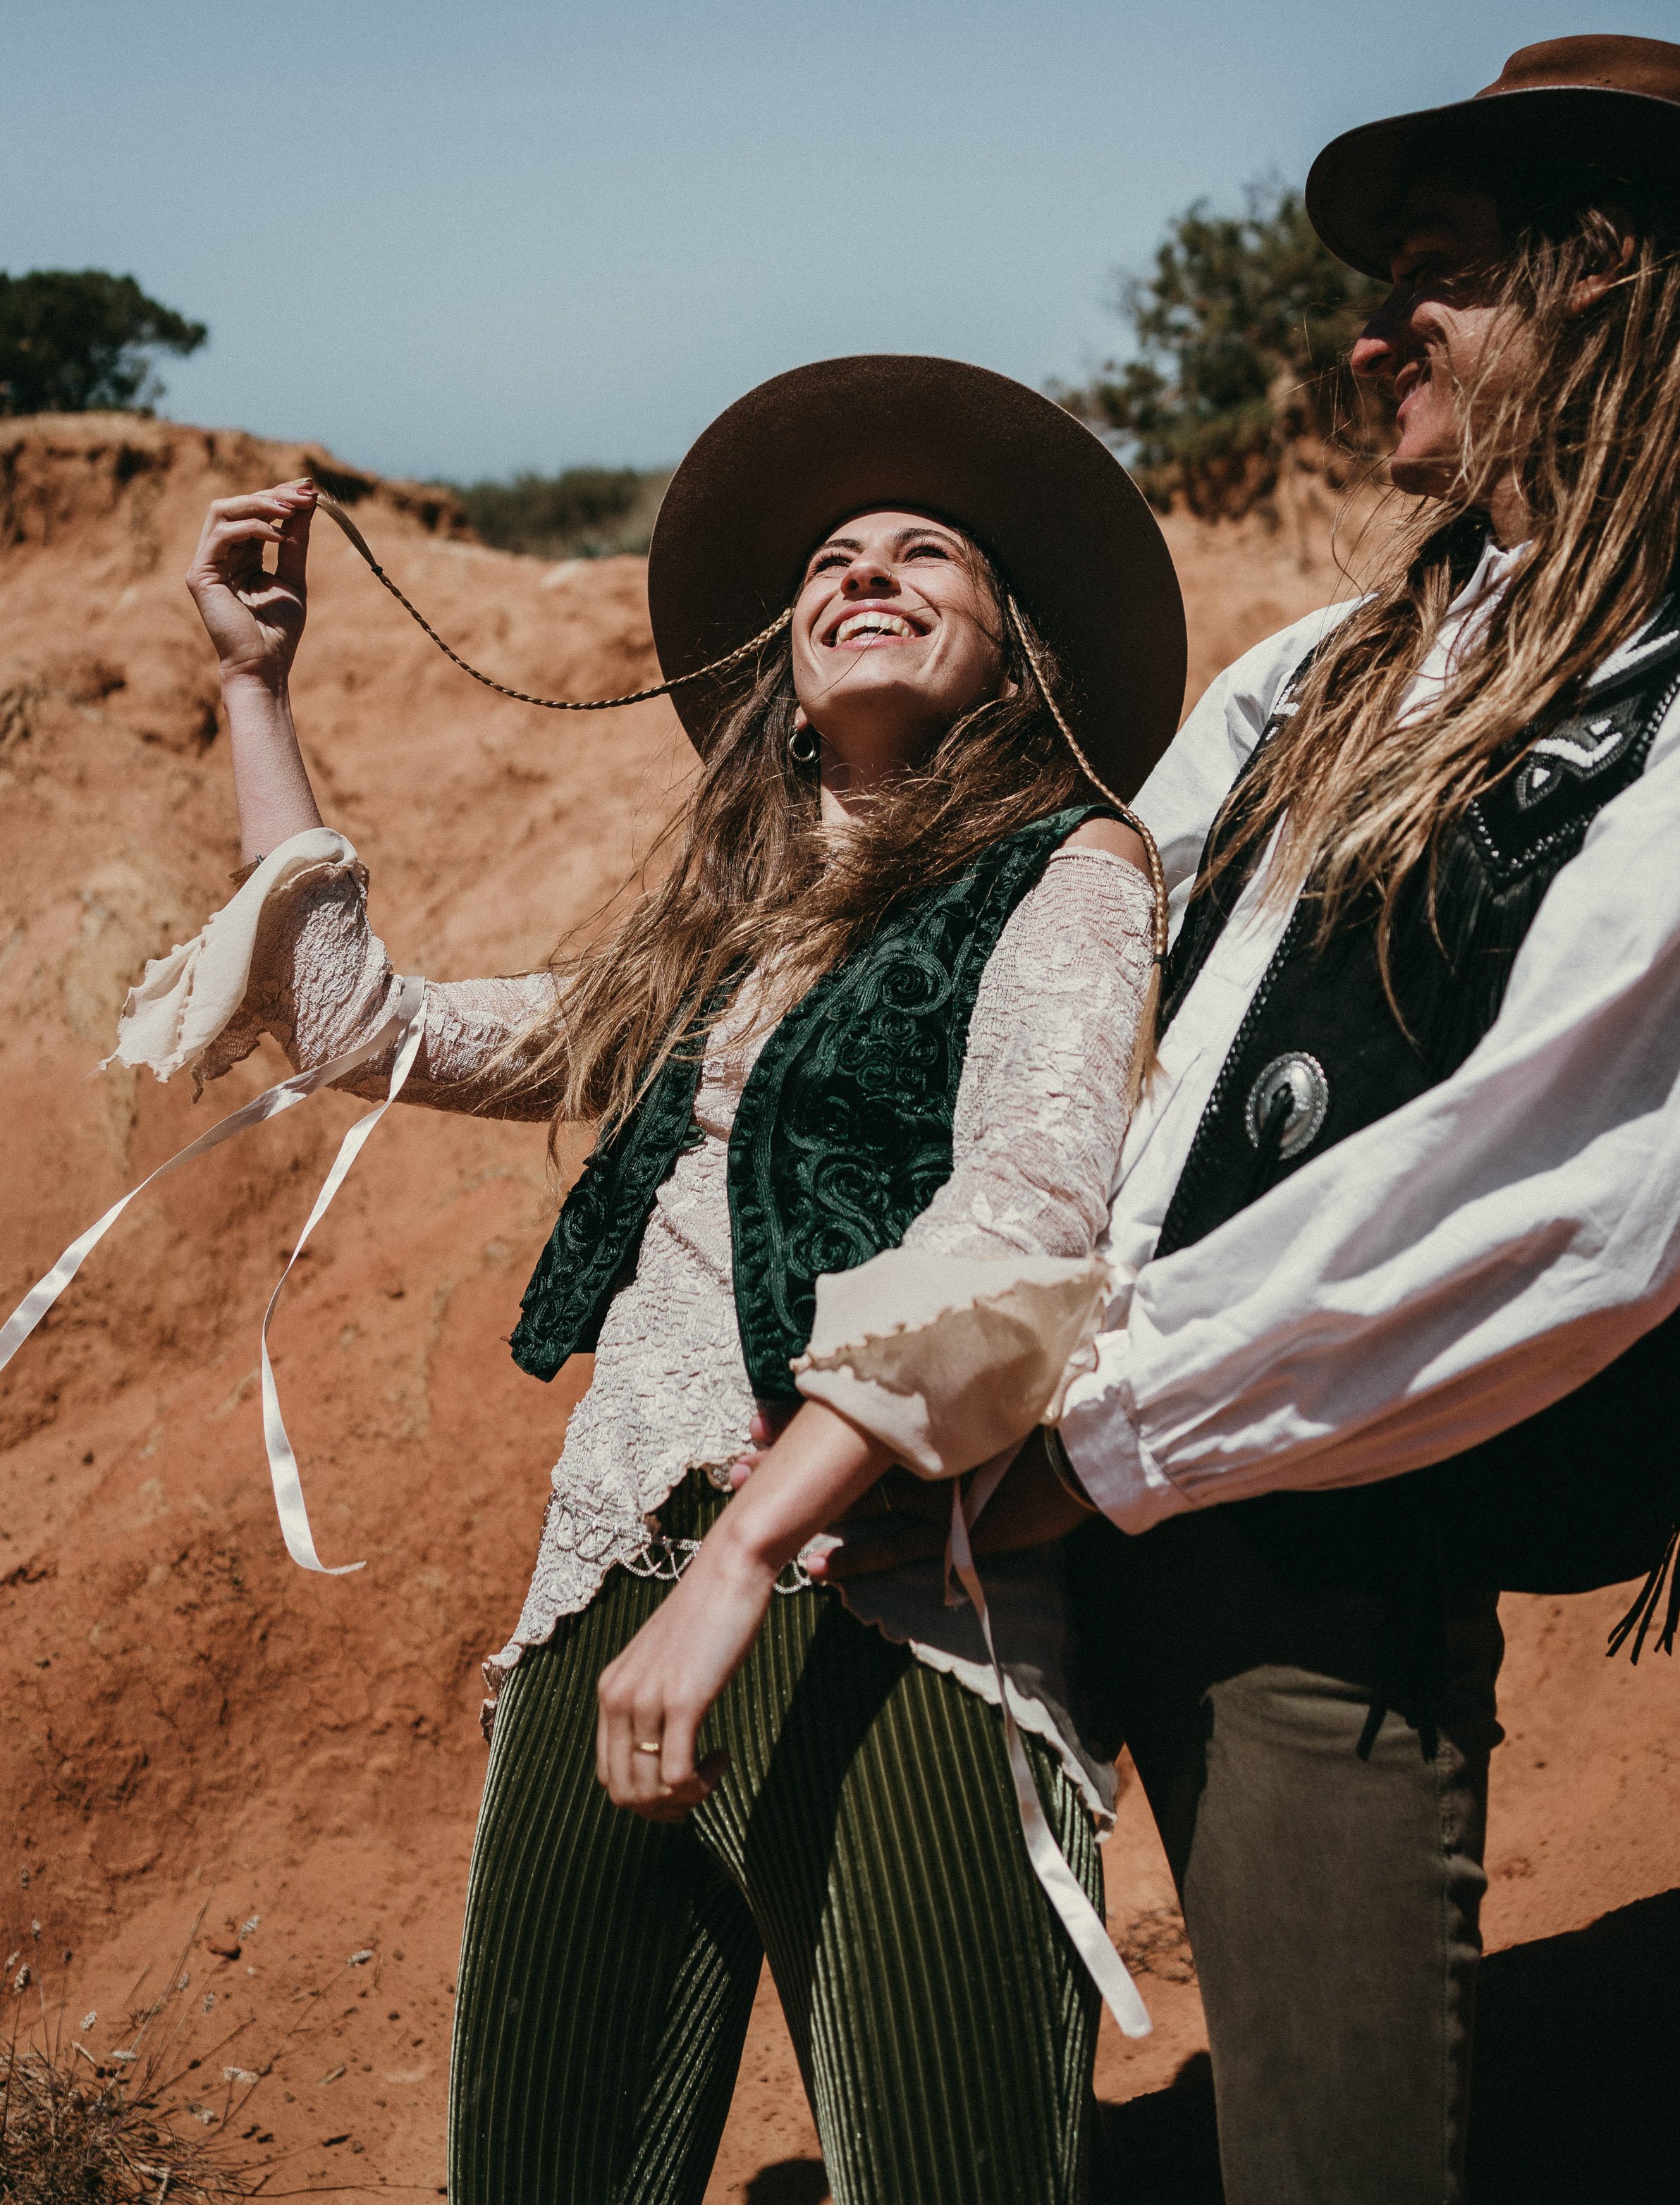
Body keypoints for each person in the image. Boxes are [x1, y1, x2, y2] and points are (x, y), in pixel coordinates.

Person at [825, 36, 1680, 2201]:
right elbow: (1074, 1005)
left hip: (1310, 1544)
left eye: (1432, 276)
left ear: (1607, 282)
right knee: (957, 2097)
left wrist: (1097, 1435)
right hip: (1049, 1468)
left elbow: (1567, 1186)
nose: (1364, 335)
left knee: (1333, 2156)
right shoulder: (1327, 657)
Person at [159, 355, 1186, 2205]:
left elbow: (1024, 1222)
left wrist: (742, 1559)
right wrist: (254, 686)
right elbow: (354, 1024)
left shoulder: (1070, 874)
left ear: (1013, 643)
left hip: (900, 1621)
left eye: (924, 551)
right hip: (602, 1602)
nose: (863, 570)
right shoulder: (708, 943)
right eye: (831, 561)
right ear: (779, 673)